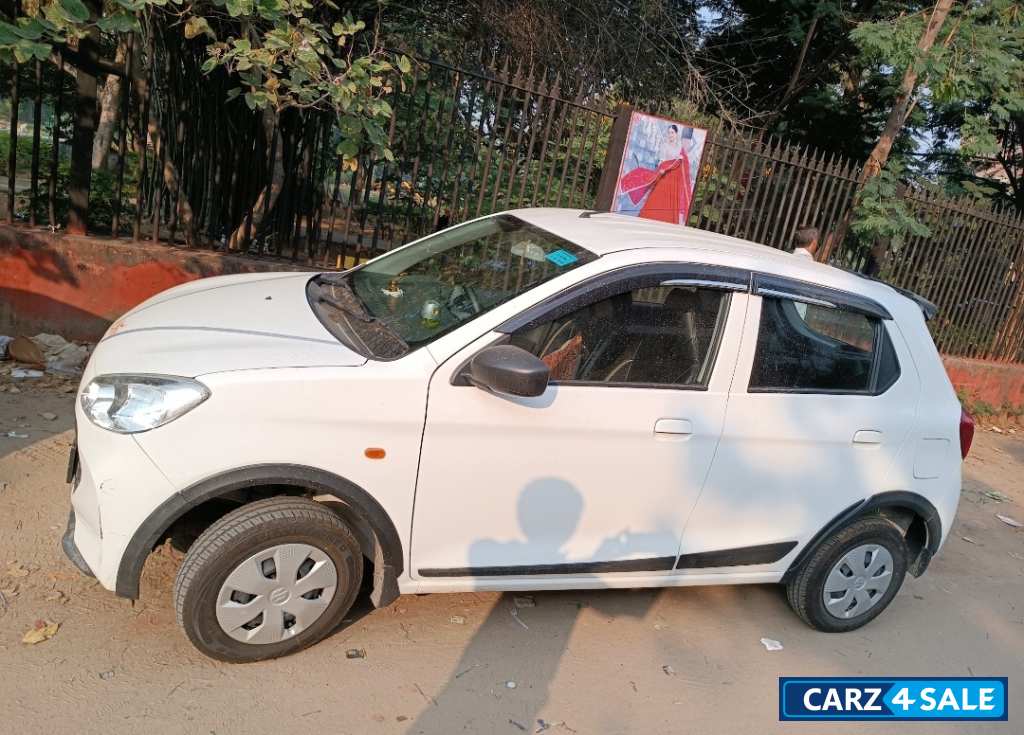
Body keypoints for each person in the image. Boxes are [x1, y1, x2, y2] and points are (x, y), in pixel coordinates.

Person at [618, 124, 694, 225]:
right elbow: (662, 162)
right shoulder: (665, 146)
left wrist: (681, 160)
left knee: (671, 205)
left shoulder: (680, 148)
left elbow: (684, 167)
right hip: (664, 177)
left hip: (674, 182)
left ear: (676, 134)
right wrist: (666, 166)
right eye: (669, 133)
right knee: (658, 200)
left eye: (672, 132)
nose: (670, 135)